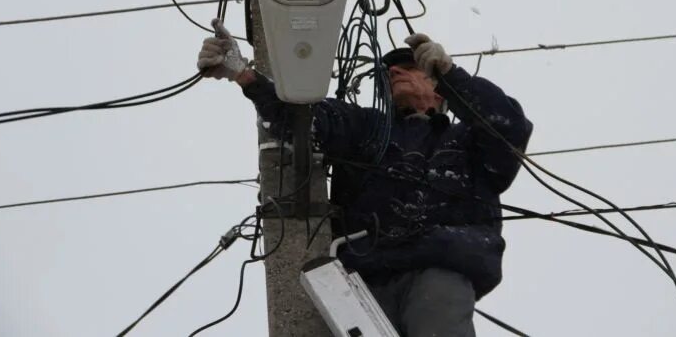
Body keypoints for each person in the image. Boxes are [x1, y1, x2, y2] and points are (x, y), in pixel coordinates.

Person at [197, 18, 533, 337]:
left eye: (411, 68)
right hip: (365, 281)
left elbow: (509, 127)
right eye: (389, 74)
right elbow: (302, 119)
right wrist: (244, 75)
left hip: (440, 267)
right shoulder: (368, 130)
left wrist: (450, 74)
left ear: (439, 91)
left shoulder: (468, 142)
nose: (396, 72)